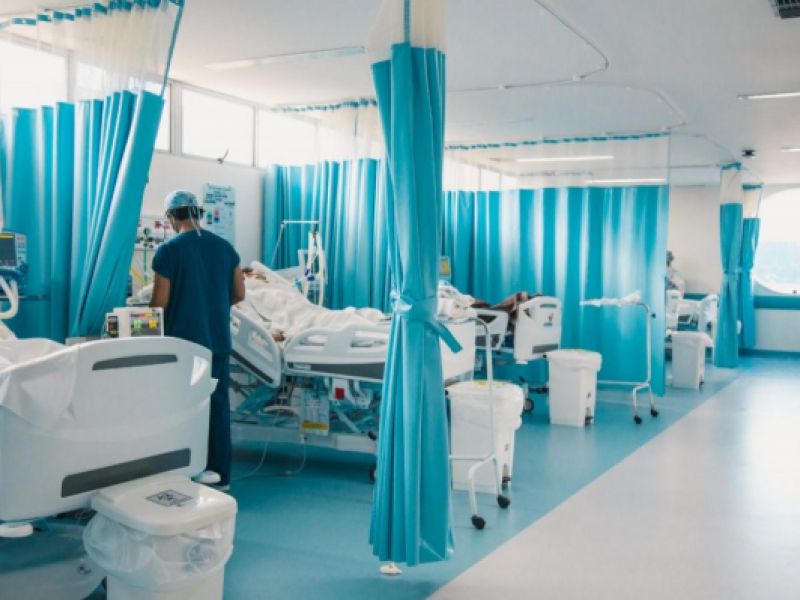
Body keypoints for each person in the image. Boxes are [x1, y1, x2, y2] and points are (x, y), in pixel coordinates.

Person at [150, 190, 245, 491]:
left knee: (183, 409)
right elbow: (239, 293)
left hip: (184, 345)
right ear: (198, 213)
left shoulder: (168, 251)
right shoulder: (225, 248)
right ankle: (220, 474)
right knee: (217, 408)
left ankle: (185, 472)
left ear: (170, 217)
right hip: (217, 341)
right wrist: (211, 305)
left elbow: (159, 304)